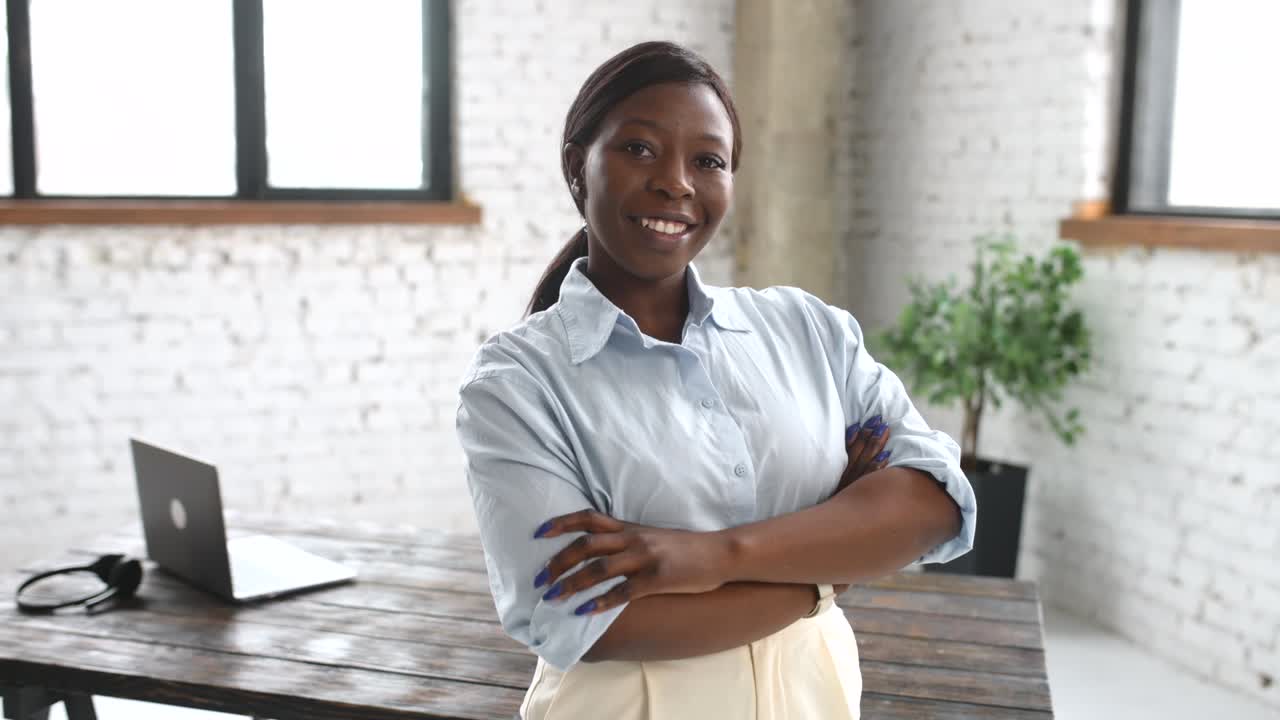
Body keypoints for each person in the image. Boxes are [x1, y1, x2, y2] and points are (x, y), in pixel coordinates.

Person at [455, 40, 977, 720]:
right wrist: (828, 566)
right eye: (639, 149)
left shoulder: (807, 331)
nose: (676, 181)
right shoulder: (519, 383)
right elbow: (587, 621)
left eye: (708, 161)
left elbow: (933, 502)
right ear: (576, 166)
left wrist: (712, 557)